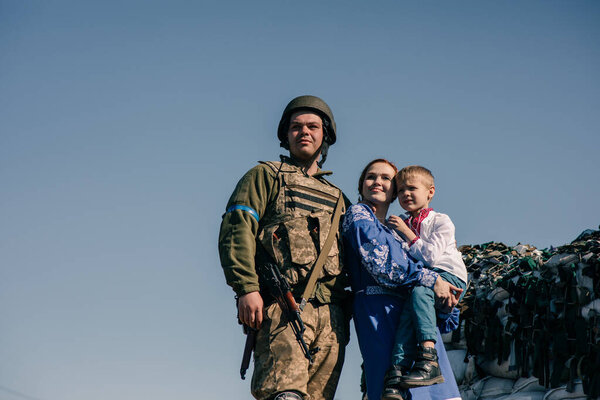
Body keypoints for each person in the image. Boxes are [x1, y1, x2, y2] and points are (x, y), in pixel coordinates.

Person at [218, 95, 350, 400]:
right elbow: (237, 230)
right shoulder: (266, 176)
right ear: (285, 134)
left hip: (333, 320)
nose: (304, 132)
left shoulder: (340, 198)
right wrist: (246, 288)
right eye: (296, 126)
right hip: (283, 307)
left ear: (325, 135)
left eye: (313, 126)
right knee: (284, 395)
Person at [341, 159, 462, 400]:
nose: (378, 182)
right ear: (361, 185)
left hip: (410, 315)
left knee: (429, 389)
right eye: (371, 176)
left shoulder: (398, 230)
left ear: (395, 190)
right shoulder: (359, 215)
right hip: (380, 313)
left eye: (386, 178)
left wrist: (445, 300)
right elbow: (383, 263)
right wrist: (431, 280)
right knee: (391, 386)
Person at [386, 166, 468, 390]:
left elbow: (431, 257)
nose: (405, 194)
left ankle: (429, 359)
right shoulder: (400, 223)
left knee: (420, 291)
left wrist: (407, 233)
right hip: (423, 279)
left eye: (412, 188)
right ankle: (398, 368)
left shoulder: (441, 221)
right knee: (407, 312)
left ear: (430, 192)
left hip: (448, 275)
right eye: (401, 190)